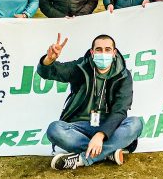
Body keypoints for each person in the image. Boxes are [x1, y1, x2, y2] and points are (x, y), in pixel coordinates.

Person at [39, 33, 143, 170]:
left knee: (135, 124)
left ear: (114, 52)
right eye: (99, 50)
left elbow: (120, 110)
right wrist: (48, 60)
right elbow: (51, 72)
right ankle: (108, 152)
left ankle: (82, 158)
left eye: (107, 49)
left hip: (109, 127)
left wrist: (100, 135)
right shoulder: (81, 67)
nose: (103, 53)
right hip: (80, 127)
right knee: (54, 129)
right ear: (92, 52)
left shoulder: (123, 75)